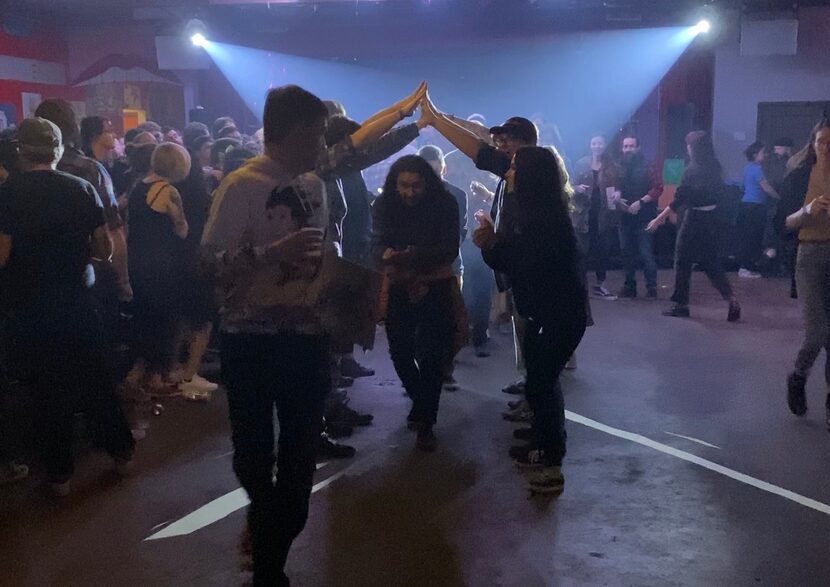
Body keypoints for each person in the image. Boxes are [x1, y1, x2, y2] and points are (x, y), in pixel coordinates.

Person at [201, 85, 334, 586]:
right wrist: (272, 252)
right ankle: (267, 555)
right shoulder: (240, 186)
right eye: (316, 134)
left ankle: (268, 560)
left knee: (300, 462)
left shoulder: (315, 185)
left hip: (307, 336)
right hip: (250, 338)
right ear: (295, 131)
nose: (321, 144)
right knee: (253, 458)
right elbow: (207, 265)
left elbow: (322, 253)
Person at [0, 117, 134, 496]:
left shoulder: (7, 194)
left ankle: (60, 474)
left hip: (28, 304)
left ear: (20, 151)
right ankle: (122, 453)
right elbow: (103, 249)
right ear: (58, 150)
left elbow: (2, 254)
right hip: (76, 299)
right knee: (95, 379)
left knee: (45, 389)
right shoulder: (82, 188)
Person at [472, 146, 587, 495]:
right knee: (540, 382)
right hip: (550, 313)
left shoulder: (544, 223)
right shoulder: (539, 213)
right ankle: (542, 442)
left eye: (514, 169)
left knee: (541, 384)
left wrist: (491, 245)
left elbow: (523, 265)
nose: (508, 174)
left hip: (557, 317)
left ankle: (551, 461)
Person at [417, 96, 537, 397]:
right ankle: (530, 388)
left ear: (524, 144)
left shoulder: (530, 169)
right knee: (524, 329)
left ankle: (537, 405)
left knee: (536, 337)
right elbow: (483, 143)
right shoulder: (522, 168)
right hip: (522, 268)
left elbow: (479, 149)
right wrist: (442, 117)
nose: (499, 146)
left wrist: (438, 119)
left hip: (535, 271)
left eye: (506, 141)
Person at [372, 155, 459, 451]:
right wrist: (385, 252)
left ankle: (427, 420)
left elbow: (449, 249)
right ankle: (422, 404)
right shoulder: (383, 205)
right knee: (399, 351)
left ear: (427, 184)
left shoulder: (446, 203)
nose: (409, 192)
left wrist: (410, 256)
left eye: (416, 186)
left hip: (435, 285)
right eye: (403, 186)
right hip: (398, 285)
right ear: (394, 185)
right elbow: (376, 241)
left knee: (433, 355)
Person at [35, 100, 132, 305]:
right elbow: (112, 229)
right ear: (73, 128)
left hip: (34, 276)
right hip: (83, 272)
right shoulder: (90, 170)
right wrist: (123, 280)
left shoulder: (19, 172)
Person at [647, 131, 741, 322]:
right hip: (712, 219)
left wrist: (659, 219)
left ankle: (681, 305)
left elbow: (679, 199)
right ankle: (731, 299)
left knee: (682, 260)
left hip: (694, 219)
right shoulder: (714, 166)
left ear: (693, 148)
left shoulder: (692, 170)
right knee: (710, 262)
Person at [124, 143, 191, 396]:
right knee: (164, 319)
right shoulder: (168, 191)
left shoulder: (138, 187)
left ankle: (136, 372)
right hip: (162, 263)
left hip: (137, 261)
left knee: (144, 316)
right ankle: (156, 377)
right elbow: (181, 229)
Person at [781, 120, 830, 429]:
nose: (826, 148)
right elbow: (783, 222)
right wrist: (807, 212)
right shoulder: (799, 175)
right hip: (809, 256)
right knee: (816, 333)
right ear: (812, 143)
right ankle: (798, 376)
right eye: (821, 141)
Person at [418, 145, 468, 390]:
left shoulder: (458, 196)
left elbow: (460, 233)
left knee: (449, 320)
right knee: (422, 321)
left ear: (443, 168)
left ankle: (445, 369)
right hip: (420, 268)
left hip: (449, 266)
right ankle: (426, 370)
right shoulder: (409, 195)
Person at [573, 134, 622, 300]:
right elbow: (568, 185)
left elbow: (619, 186)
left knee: (602, 252)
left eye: (600, 143)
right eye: (594, 143)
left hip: (603, 216)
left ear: (604, 145)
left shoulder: (612, 166)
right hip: (583, 215)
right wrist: (577, 188)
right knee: (582, 252)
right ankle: (579, 286)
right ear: (590, 145)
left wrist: (617, 193)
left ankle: (600, 285)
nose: (597, 146)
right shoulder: (580, 164)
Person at [617, 135, 662, 298]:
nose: (628, 149)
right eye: (625, 146)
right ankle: (630, 286)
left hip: (645, 216)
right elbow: (615, 186)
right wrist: (617, 196)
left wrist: (641, 202)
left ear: (638, 147)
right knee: (626, 253)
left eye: (631, 146)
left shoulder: (649, 165)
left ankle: (651, 288)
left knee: (645, 253)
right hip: (624, 216)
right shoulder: (619, 165)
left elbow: (658, 188)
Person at [737, 141, 779, 278]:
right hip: (755, 207)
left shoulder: (747, 168)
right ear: (755, 155)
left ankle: (746, 267)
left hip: (746, 205)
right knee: (753, 237)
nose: (766, 155)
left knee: (747, 237)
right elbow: (765, 187)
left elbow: (743, 187)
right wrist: (779, 197)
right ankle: (746, 268)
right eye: (763, 152)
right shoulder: (757, 169)